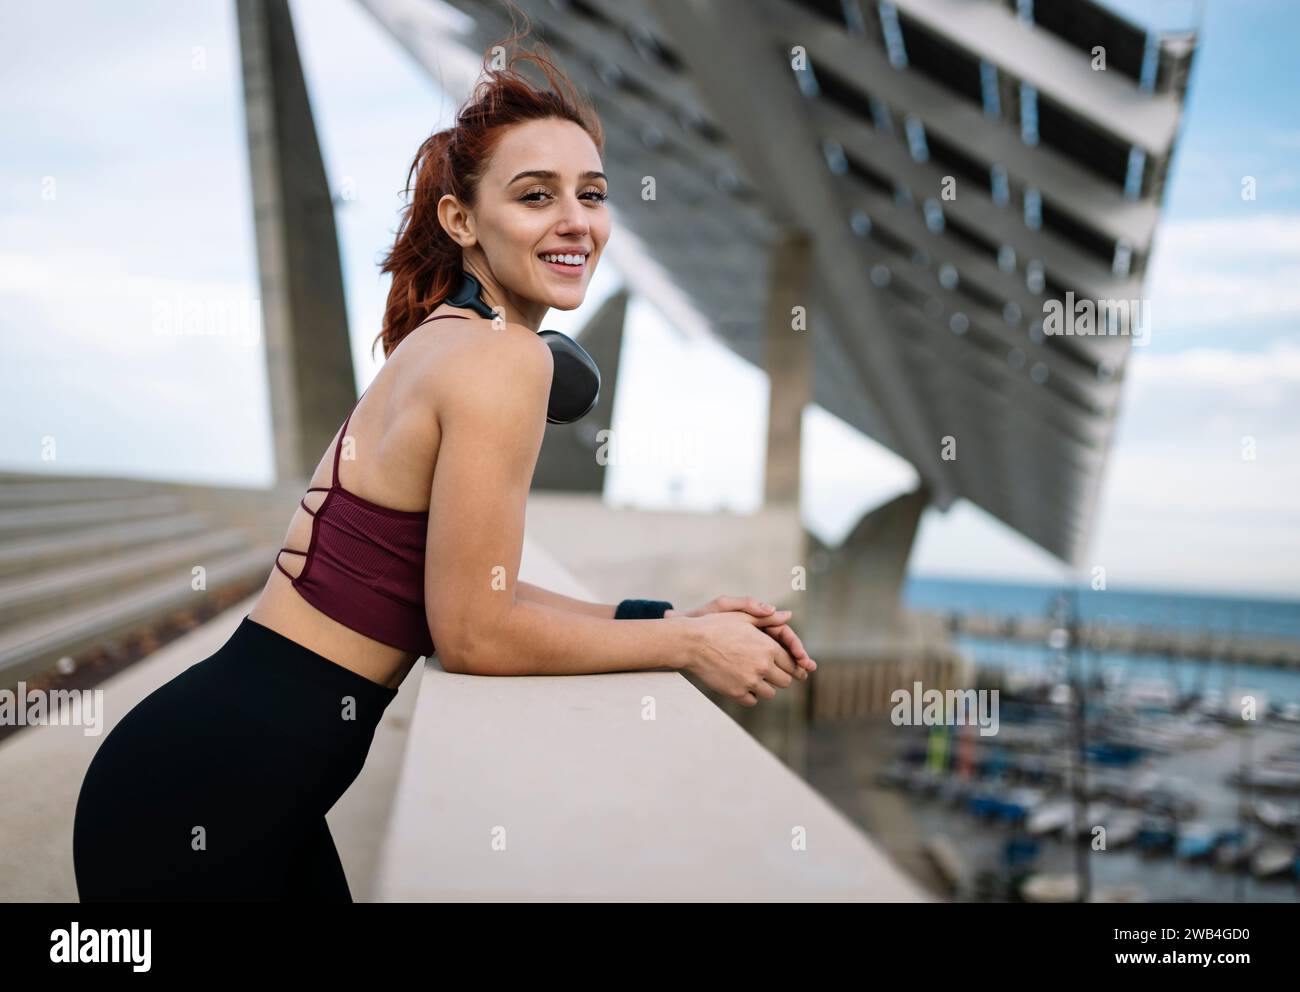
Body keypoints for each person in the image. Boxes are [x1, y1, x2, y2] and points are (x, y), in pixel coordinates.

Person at [71, 29, 814, 903]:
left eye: (593, 194)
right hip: (210, 798)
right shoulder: (503, 358)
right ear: (461, 220)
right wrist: (687, 643)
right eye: (536, 196)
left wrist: (654, 615)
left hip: (205, 773)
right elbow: (471, 634)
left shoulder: (444, 343)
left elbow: (474, 586)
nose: (576, 220)